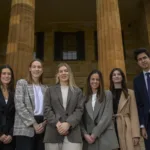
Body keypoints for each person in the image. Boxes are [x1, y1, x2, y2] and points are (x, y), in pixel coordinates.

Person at [44, 63, 84, 150]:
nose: (63, 73)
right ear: (57, 75)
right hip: (53, 132)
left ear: (70, 73)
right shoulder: (50, 90)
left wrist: (68, 124)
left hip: (73, 133)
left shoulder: (78, 91)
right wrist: (57, 124)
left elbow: (79, 110)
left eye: (66, 71)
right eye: (61, 71)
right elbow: (47, 109)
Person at [13, 59, 47, 150]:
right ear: (30, 69)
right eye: (34, 67)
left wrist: (44, 123)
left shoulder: (45, 88)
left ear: (42, 70)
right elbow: (19, 105)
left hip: (42, 126)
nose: (37, 69)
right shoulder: (22, 83)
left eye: (39, 67)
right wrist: (34, 124)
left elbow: (48, 108)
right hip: (25, 126)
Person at [81, 69, 118, 150]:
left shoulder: (107, 94)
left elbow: (107, 116)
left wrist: (95, 134)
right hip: (89, 139)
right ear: (89, 81)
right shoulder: (83, 97)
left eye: (97, 79)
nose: (95, 81)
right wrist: (85, 134)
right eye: (92, 79)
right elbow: (80, 119)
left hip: (105, 136)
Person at [110, 68, 140, 150]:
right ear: (111, 78)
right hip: (112, 126)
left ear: (122, 77)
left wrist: (136, 135)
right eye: (114, 75)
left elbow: (134, 114)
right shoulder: (108, 94)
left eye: (119, 74)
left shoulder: (130, 93)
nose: (116, 76)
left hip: (126, 126)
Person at [133, 48, 150, 150]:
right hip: (148, 123)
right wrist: (142, 126)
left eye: (145, 57)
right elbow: (139, 104)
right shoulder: (137, 80)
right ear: (138, 63)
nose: (143, 61)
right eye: (140, 59)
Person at [0, 65, 15, 150]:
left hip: (10, 136)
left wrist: (11, 134)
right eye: (4, 73)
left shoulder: (15, 93)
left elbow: (17, 116)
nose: (6, 76)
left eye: (9, 74)